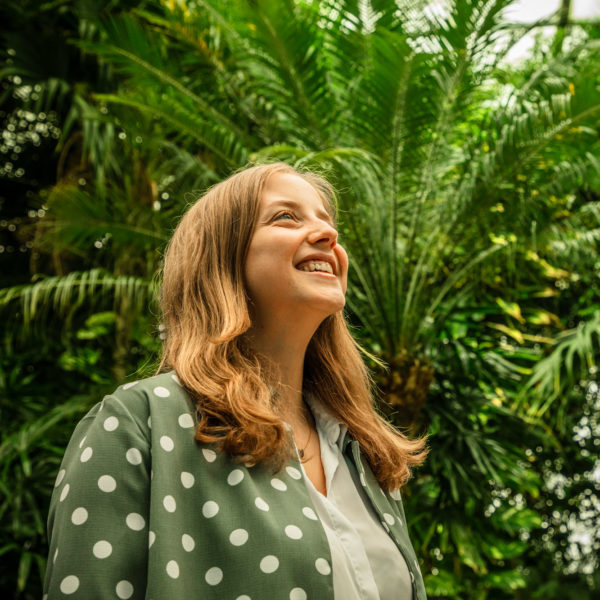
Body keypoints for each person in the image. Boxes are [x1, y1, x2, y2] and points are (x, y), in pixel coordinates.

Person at [43, 162, 428, 599]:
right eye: (286, 217)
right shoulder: (137, 424)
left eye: (326, 220)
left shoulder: (364, 452)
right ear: (222, 258)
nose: (328, 235)